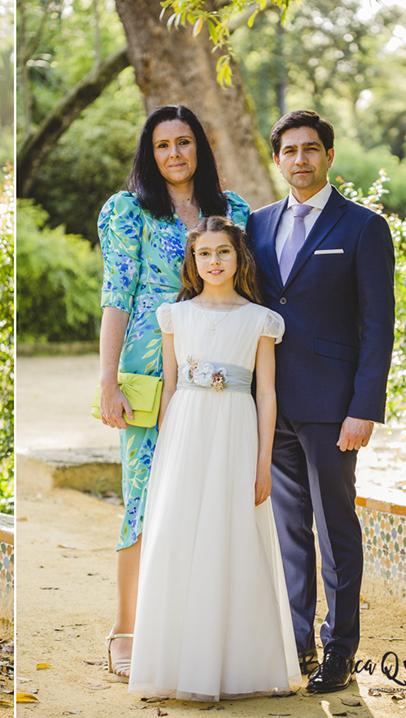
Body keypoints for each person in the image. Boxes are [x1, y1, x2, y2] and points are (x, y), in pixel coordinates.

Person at [97, 105, 249, 679]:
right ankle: (126, 627)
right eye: (163, 146)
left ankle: (190, 623)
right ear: (149, 153)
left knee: (207, 490)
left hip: (218, 363)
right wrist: (108, 378)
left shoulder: (233, 211)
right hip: (148, 368)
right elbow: (117, 295)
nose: (175, 154)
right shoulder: (127, 211)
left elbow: (247, 286)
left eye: (184, 142)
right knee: (142, 490)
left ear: (199, 148)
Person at [246, 110, 395, 693]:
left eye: (311, 149)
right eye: (290, 150)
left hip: (333, 407)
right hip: (269, 403)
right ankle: (296, 641)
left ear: (328, 156)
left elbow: (377, 325)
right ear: (277, 159)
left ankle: (340, 649)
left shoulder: (362, 227)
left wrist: (364, 407)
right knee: (288, 530)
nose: (300, 159)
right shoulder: (256, 226)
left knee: (336, 530)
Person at [129, 216, 300, 700]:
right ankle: (178, 663)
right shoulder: (174, 315)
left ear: (238, 256)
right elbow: (171, 385)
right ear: (193, 260)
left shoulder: (261, 320)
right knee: (180, 537)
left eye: (223, 252)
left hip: (237, 434)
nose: (214, 262)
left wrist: (263, 463)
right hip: (186, 432)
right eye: (204, 254)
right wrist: (165, 448)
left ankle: (235, 668)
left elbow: (266, 394)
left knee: (233, 536)